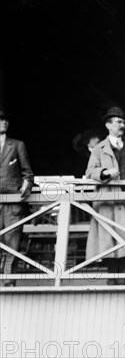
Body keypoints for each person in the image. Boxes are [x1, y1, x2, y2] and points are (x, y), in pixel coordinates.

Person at [86, 107, 125, 284]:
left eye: (123, 122)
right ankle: (112, 280)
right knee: (111, 240)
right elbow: (90, 171)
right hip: (112, 200)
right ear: (108, 125)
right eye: (118, 122)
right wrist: (104, 173)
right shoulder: (99, 148)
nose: (122, 125)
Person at [0, 109, 34, 286]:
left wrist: (25, 188)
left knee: (12, 243)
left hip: (13, 202)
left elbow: (28, 174)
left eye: (5, 119)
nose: (3, 122)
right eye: (0, 119)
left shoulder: (17, 145)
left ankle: (8, 281)